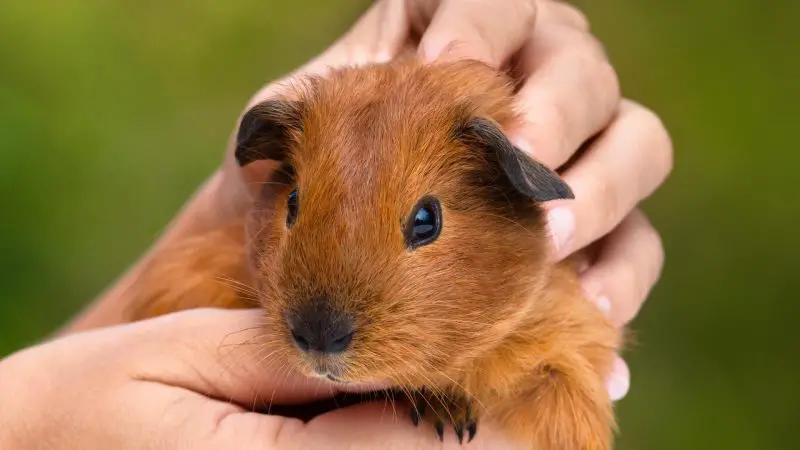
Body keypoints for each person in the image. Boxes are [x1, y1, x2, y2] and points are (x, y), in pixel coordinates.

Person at [0, 1, 672, 448]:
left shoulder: (555, 322)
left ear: (518, 187)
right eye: (296, 208)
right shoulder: (205, 289)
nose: (326, 323)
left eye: (423, 223)